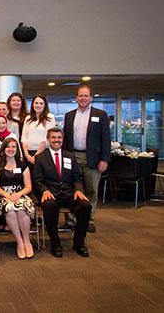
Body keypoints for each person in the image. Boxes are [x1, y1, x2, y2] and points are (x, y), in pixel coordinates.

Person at [33, 128, 91, 258]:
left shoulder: (70, 156)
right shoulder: (40, 158)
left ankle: (79, 243)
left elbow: (77, 177)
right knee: (48, 206)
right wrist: (45, 190)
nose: (56, 140)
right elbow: (37, 180)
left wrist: (79, 190)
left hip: (70, 193)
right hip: (51, 193)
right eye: (53, 137)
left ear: (62, 139)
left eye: (59, 137)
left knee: (85, 206)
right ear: (48, 139)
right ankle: (56, 243)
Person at [62, 85, 111, 233]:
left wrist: (104, 159)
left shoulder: (100, 114)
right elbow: (66, 138)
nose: (83, 98)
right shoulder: (69, 115)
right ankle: (70, 220)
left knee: (91, 190)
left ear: (91, 98)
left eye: (86, 96)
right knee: (70, 188)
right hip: (72, 156)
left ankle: (88, 220)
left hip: (93, 159)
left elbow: (106, 139)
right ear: (76, 98)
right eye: (80, 95)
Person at [0, 137, 35, 259]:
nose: (10, 149)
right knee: (10, 210)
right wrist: (7, 195)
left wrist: (18, 194)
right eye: (8, 146)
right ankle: (19, 242)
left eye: (13, 147)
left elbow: (28, 186)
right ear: (3, 148)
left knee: (21, 209)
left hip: (21, 195)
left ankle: (27, 241)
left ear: (17, 149)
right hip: (4, 196)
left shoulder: (22, 165)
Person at [21, 95, 56, 167]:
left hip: (43, 153)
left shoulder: (49, 117)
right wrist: (27, 155)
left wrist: (35, 156)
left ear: (45, 105)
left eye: (41, 103)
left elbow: (46, 139)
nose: (38, 105)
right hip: (28, 153)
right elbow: (24, 138)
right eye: (36, 103)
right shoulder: (28, 118)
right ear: (32, 104)